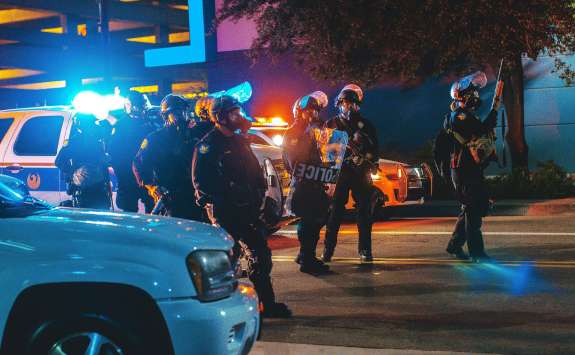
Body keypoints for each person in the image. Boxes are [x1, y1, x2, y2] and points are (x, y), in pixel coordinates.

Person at [192, 95, 291, 318]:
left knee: (261, 256)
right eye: (233, 113)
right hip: (226, 212)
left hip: (248, 209)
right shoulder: (208, 145)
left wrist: (259, 194)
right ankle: (224, 308)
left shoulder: (240, 141)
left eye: (239, 112)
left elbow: (255, 171)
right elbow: (201, 180)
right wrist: (228, 191)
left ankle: (267, 304)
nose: (238, 117)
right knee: (227, 261)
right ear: (220, 117)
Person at [438, 71, 499, 262]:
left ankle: (454, 245)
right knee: (473, 212)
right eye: (472, 93)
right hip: (464, 171)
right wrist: (495, 108)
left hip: (469, 169)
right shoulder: (460, 116)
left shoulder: (464, 115)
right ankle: (477, 253)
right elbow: (482, 129)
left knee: (470, 209)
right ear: (463, 96)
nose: (476, 96)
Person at [322, 84, 379, 263]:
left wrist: (366, 158)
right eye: (345, 103)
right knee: (335, 213)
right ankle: (328, 250)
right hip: (339, 174)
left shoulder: (366, 124)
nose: (348, 107)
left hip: (361, 173)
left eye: (352, 104)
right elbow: (324, 150)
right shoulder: (331, 124)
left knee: (364, 213)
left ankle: (365, 250)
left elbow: (374, 149)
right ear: (339, 104)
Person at [132, 94, 206, 220]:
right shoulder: (156, 138)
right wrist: (152, 187)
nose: (182, 115)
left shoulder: (196, 134)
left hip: (196, 195)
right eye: (176, 113)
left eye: (183, 111)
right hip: (172, 198)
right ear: (165, 115)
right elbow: (138, 164)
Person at [283, 92, 331, 274]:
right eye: (309, 111)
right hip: (304, 183)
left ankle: (305, 255)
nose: (313, 114)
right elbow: (293, 162)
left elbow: (324, 155)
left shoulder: (315, 131)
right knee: (308, 221)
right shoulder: (293, 133)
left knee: (318, 219)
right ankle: (307, 260)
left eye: (315, 111)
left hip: (317, 181)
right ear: (300, 111)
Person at [108, 90, 155, 213]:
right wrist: (123, 175)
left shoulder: (149, 123)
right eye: (141, 105)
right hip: (128, 176)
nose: (143, 108)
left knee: (153, 208)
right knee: (129, 211)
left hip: (147, 174)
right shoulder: (121, 125)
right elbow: (114, 152)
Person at [55, 113, 111, 209]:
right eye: (92, 123)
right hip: (84, 190)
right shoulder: (75, 141)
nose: (95, 126)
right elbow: (59, 161)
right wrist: (74, 172)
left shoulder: (98, 142)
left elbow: (103, 163)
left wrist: (107, 182)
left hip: (99, 187)